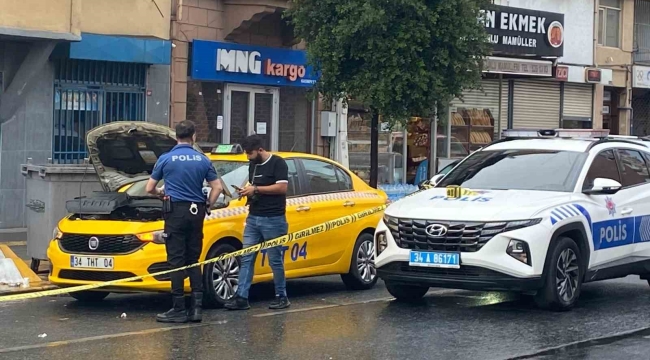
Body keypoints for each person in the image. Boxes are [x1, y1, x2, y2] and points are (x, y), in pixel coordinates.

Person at [146, 120, 222, 323]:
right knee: (193, 260)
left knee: (176, 261)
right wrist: (208, 205)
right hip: (196, 212)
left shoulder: (166, 158)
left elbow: (149, 188)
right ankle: (196, 309)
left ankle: (178, 308)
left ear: (176, 136)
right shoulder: (202, 159)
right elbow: (217, 187)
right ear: (194, 136)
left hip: (175, 212)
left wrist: (161, 194)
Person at [224, 134, 290, 311]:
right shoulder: (253, 165)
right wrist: (247, 191)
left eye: (250, 153)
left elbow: (282, 187)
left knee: (275, 259)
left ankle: (281, 296)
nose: (247, 157)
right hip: (253, 217)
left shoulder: (278, 163)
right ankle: (242, 297)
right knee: (247, 257)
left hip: (273, 218)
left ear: (260, 150)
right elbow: (253, 185)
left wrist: (256, 189)